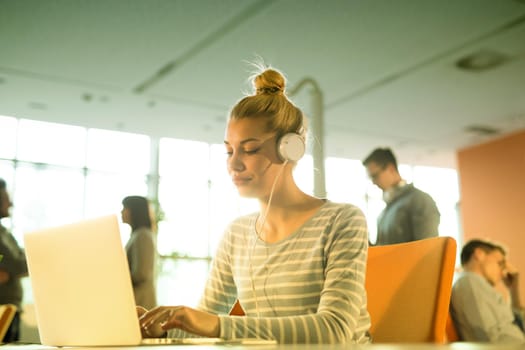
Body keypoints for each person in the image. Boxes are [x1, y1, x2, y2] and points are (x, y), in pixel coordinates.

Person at [138, 66, 371, 344]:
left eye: (249, 149)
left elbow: (334, 331)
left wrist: (216, 325)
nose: (233, 164)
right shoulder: (236, 234)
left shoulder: (341, 221)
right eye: (229, 151)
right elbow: (204, 322)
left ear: (290, 148)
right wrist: (159, 326)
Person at [450, 239, 524, 343]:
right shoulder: (470, 281)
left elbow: (516, 325)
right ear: (479, 254)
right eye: (500, 263)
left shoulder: (479, 286)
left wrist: (513, 290)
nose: (503, 273)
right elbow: (488, 338)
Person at [362, 148, 440, 245]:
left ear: (390, 168)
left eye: (375, 176)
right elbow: (383, 250)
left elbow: (427, 249)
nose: (373, 182)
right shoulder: (386, 211)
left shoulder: (420, 200)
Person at [0, 178, 28, 343]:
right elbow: (19, 264)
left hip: (10, 310)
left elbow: (19, 262)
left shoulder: (5, 232)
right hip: (3, 311)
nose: (10, 204)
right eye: (6, 199)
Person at [121, 195, 157, 310]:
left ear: (133, 211)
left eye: (124, 208)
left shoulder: (142, 235)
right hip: (138, 301)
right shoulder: (138, 235)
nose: (121, 211)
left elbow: (141, 273)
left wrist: (119, 277)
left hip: (141, 303)